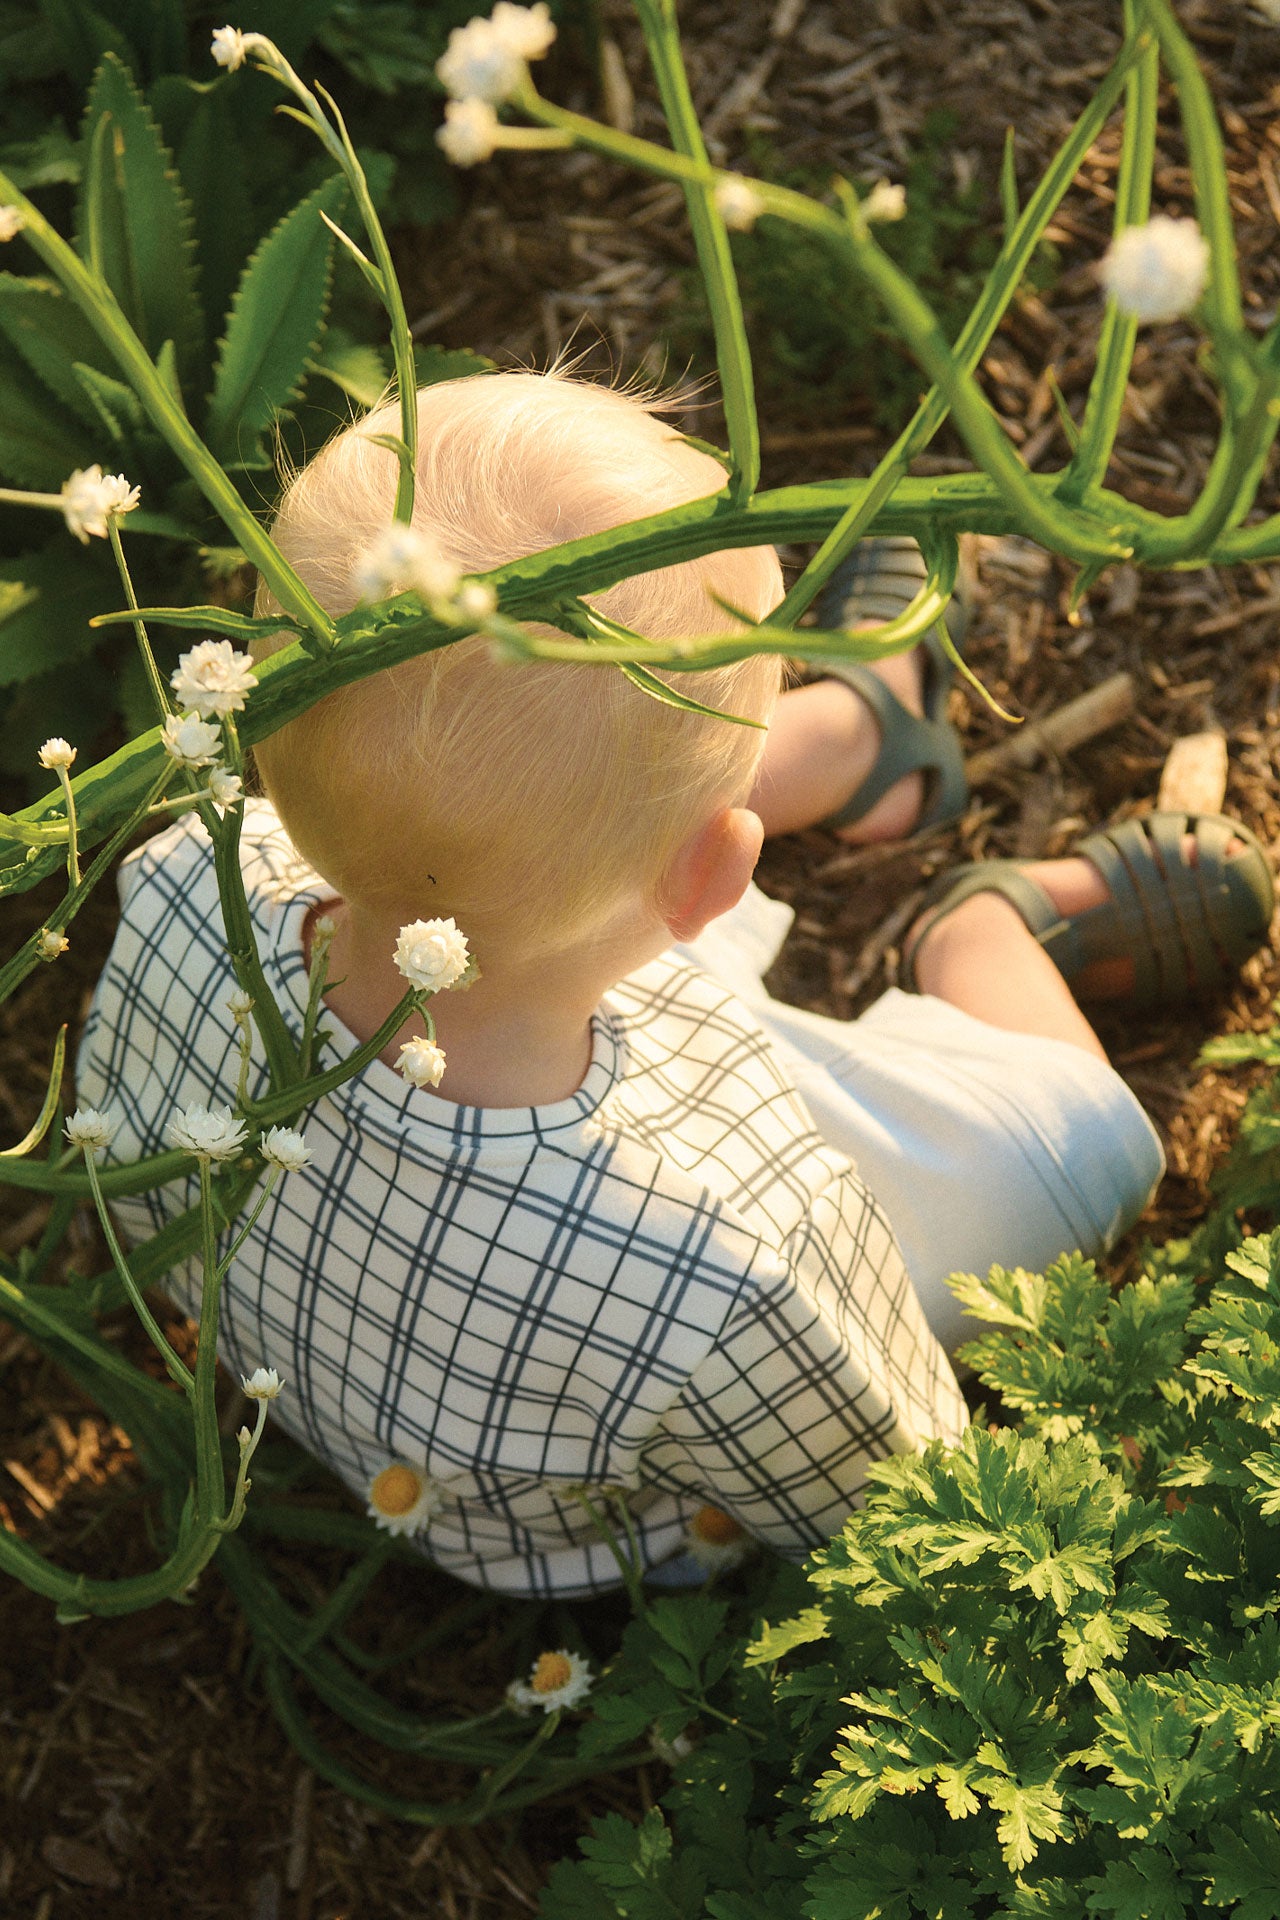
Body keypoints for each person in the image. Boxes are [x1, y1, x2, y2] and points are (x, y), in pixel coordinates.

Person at [77, 371, 1273, 1597]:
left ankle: (854, 734)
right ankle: (976, 932)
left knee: (550, 829)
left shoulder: (183, 873)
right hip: (657, 1233)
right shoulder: (736, 1261)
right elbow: (897, 1496)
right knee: (1071, 1148)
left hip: (448, 1147)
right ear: (716, 877)